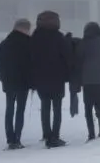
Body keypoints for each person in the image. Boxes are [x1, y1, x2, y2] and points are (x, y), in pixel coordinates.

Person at [30, 10, 74, 148]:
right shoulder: (59, 38)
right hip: (57, 78)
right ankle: (55, 136)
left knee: (45, 106)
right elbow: (68, 57)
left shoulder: (34, 38)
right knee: (57, 108)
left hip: (41, 77)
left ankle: (46, 134)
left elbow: (30, 58)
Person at [0, 18, 32, 150]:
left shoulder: (5, 43)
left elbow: (0, 62)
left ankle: (10, 138)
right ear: (25, 29)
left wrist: (3, 77)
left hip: (9, 82)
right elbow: (31, 63)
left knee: (9, 109)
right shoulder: (29, 43)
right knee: (20, 110)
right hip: (23, 82)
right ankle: (17, 138)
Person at [64, 31, 82, 118]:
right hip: (78, 69)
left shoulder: (64, 43)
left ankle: (73, 110)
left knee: (73, 91)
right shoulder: (78, 41)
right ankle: (74, 109)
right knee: (74, 90)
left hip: (70, 69)